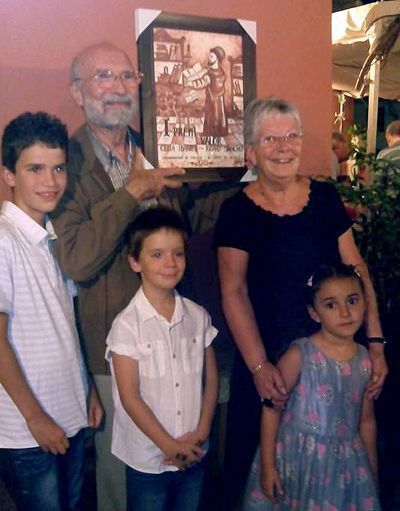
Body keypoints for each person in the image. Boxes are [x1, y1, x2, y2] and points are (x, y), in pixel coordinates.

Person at [52, 41, 237, 511]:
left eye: (126, 76)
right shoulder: (65, 163)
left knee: (185, 464)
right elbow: (76, 259)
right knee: (126, 478)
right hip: (116, 350)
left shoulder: (157, 145)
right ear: (77, 92)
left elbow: (187, 221)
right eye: (102, 76)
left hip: (177, 336)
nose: (117, 87)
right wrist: (132, 192)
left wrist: (243, 178)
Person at [214, 97, 387, 510]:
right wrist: (259, 367)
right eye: (270, 139)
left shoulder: (324, 198)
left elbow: (356, 268)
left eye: (291, 136)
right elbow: (233, 291)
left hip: (331, 357)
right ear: (250, 152)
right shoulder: (236, 211)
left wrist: (376, 342)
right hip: (268, 359)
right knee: (261, 474)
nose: (283, 147)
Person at [0, 112, 102, 511]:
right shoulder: (4, 240)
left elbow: (65, 325)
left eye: (58, 168)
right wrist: (34, 418)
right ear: (9, 175)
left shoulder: (53, 237)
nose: (51, 181)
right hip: (27, 431)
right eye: (35, 169)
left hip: (69, 413)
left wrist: (86, 387)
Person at [105, 206, 219, 511]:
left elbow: (211, 380)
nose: (170, 263)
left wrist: (201, 432)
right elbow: (130, 397)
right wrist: (170, 446)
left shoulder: (197, 316)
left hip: (194, 448)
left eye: (177, 253)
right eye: (157, 255)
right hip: (149, 459)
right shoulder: (126, 326)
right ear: (135, 261)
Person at [243, 263, 381, 510]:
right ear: (314, 313)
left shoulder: (365, 361)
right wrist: (268, 466)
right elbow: (271, 407)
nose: (345, 313)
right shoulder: (300, 354)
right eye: (331, 305)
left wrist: (371, 474)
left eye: (352, 301)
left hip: (343, 468)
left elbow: (366, 421)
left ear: (365, 303)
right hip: (297, 461)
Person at [187, 46, 228, 137]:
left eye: (211, 57)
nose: (209, 58)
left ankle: (210, 134)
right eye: (209, 56)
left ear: (217, 59)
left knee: (211, 117)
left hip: (211, 100)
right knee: (219, 115)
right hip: (219, 99)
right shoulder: (221, 72)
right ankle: (221, 132)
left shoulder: (210, 74)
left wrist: (190, 83)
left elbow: (201, 83)